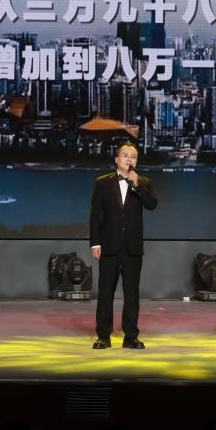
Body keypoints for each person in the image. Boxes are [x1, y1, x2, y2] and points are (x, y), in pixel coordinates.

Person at [89, 141, 158, 349]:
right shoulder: (102, 182)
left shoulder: (143, 182)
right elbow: (95, 215)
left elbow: (152, 205)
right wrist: (95, 243)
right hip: (109, 245)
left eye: (133, 156)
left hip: (132, 247)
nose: (129, 159)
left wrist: (137, 186)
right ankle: (103, 336)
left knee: (131, 294)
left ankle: (131, 336)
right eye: (125, 155)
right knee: (105, 293)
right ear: (117, 159)